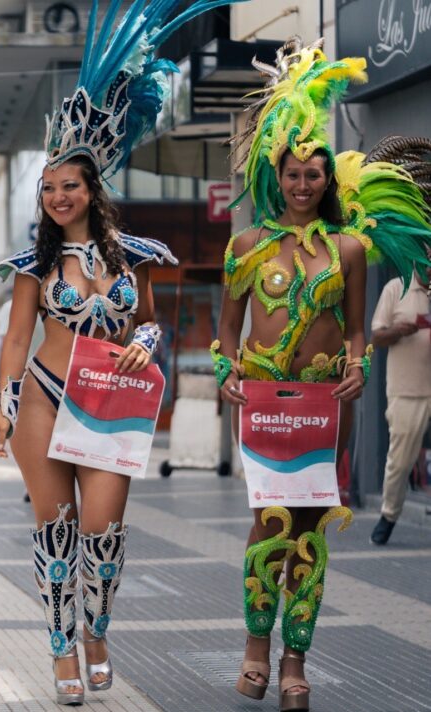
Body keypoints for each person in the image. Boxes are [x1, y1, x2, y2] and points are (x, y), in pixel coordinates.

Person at [0, 2, 258, 706]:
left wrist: (142, 343)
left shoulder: (132, 256)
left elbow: (150, 324)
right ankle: (60, 649)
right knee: (56, 532)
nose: (56, 196)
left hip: (108, 402)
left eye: (68, 185)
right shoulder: (32, 265)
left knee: (104, 533)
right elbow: (15, 339)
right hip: (45, 397)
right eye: (48, 187)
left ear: (92, 189)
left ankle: (97, 632)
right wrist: (3, 405)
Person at [213, 40, 431, 711]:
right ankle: (256, 646)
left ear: (327, 181)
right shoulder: (246, 246)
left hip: (325, 405)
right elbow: (228, 328)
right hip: (264, 403)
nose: (302, 185)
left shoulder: (349, 249)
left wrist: (359, 365)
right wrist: (225, 370)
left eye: (313, 175)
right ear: (276, 176)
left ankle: (295, 659)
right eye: (293, 174)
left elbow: (357, 328)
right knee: (267, 524)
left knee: (309, 528)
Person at [369, 255, 431, 545]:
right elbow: (376, 337)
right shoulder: (396, 288)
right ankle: (389, 515)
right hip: (407, 389)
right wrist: (399, 330)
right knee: (400, 461)